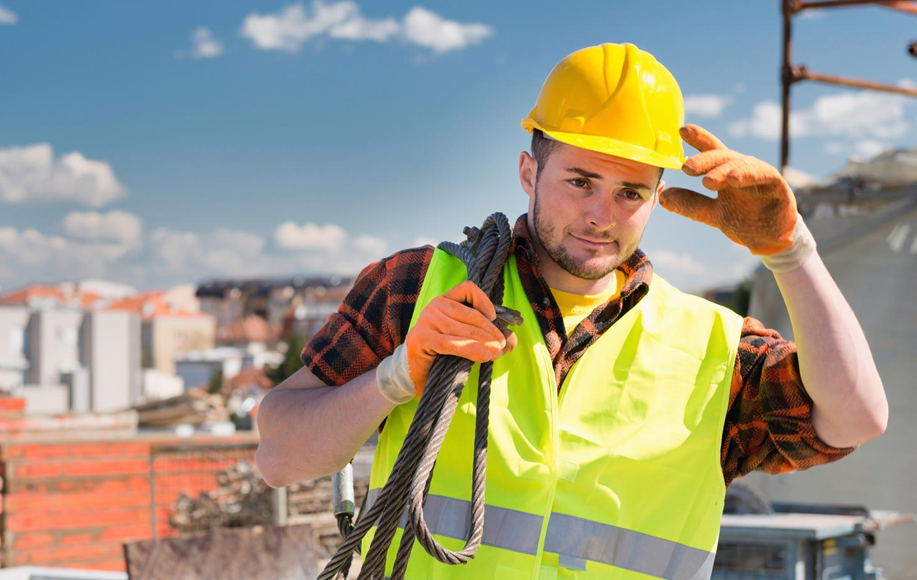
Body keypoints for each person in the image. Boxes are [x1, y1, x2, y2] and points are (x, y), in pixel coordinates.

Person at [255, 43, 888, 579]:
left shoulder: (712, 346)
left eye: (630, 192)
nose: (600, 216)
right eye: (580, 181)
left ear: (658, 196)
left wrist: (789, 250)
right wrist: (398, 374)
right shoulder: (420, 287)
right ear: (529, 171)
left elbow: (857, 417)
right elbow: (281, 457)